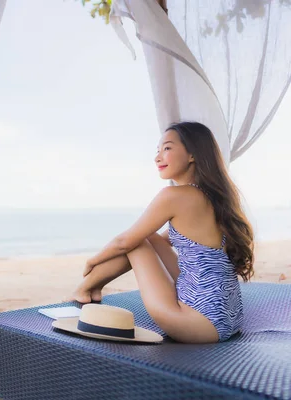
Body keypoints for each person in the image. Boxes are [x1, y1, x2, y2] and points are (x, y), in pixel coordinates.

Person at [67, 121, 254, 343]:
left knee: (137, 242)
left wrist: (93, 261)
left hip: (196, 324)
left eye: (167, 148)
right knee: (147, 237)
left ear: (192, 154)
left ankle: (85, 288)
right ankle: (93, 288)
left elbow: (125, 242)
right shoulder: (214, 197)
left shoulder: (174, 196)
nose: (157, 158)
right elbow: (161, 241)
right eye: (158, 150)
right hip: (228, 319)